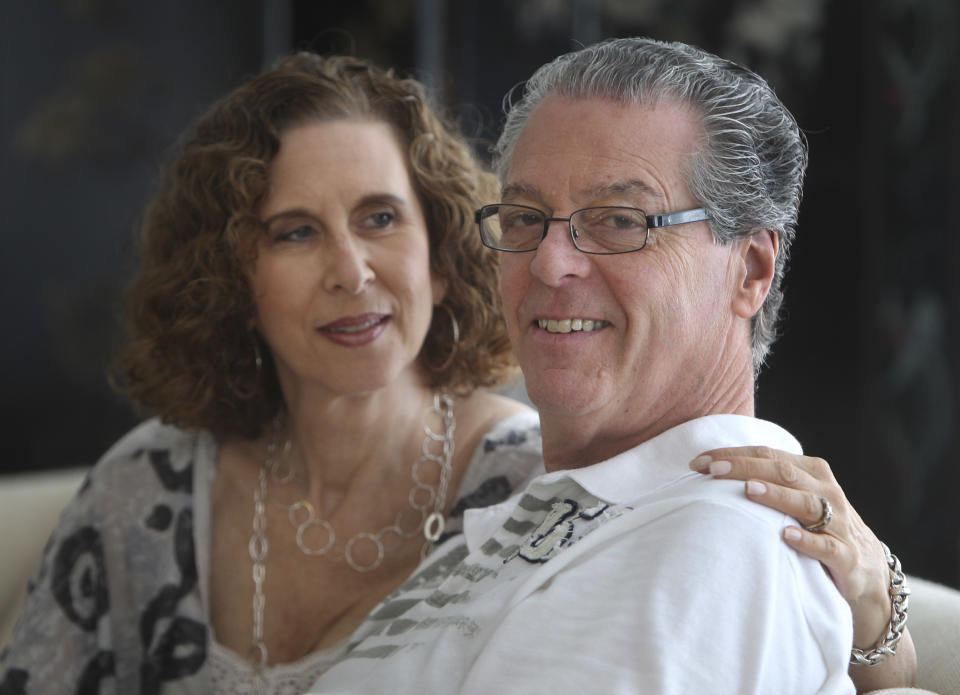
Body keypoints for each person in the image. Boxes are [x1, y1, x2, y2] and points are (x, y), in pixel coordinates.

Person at [0, 50, 910, 695]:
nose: (350, 270)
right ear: (231, 275)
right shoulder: (553, 501)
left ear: (439, 247)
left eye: (620, 220)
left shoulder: (690, 531)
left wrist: (879, 614)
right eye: (294, 231)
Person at [305, 38, 914, 694]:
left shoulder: (713, 543)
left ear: (751, 270)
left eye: (621, 221)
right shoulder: (544, 506)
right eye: (525, 216)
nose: (548, 261)